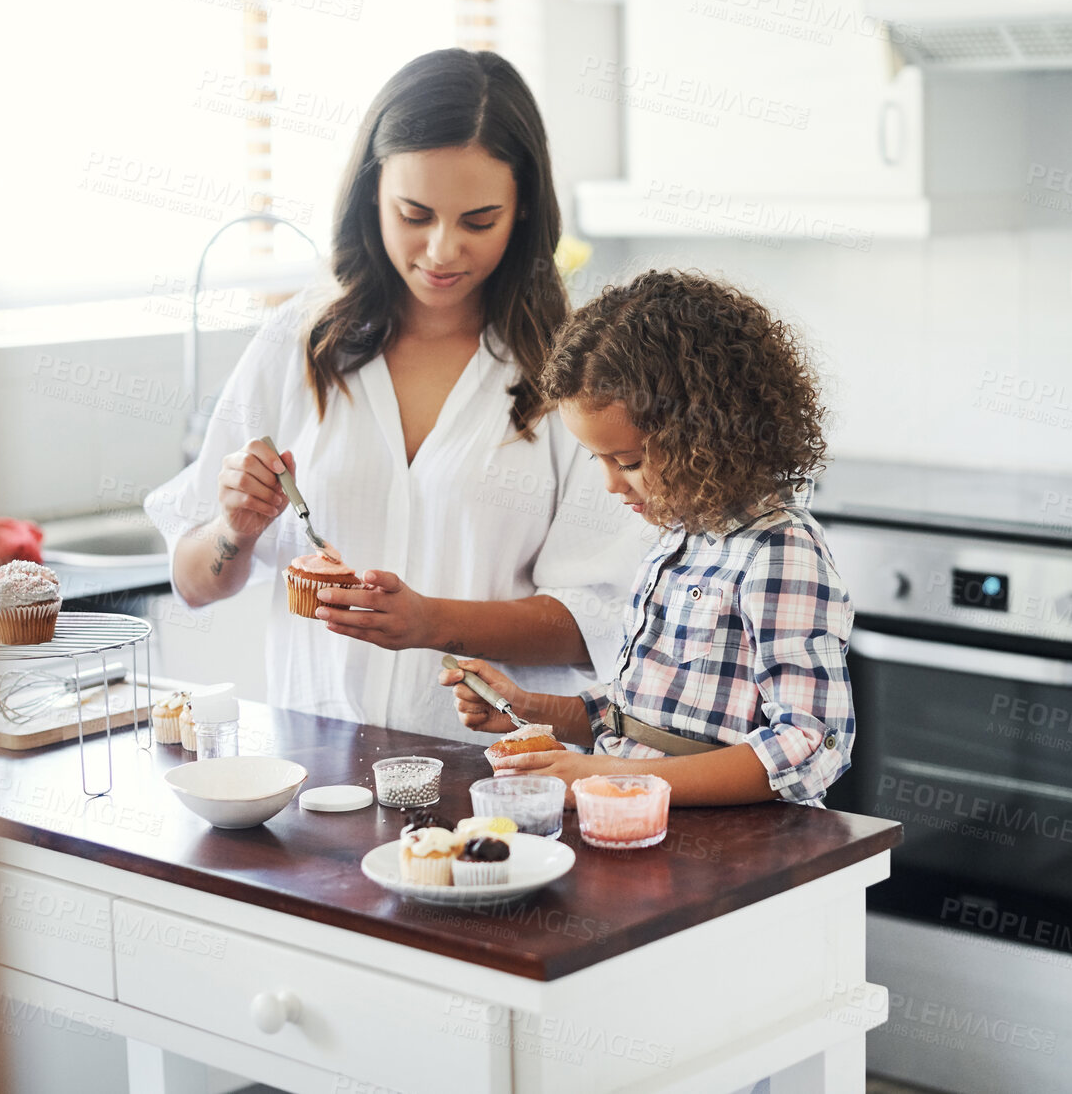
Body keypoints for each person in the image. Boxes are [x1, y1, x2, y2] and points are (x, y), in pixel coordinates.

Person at [145, 49, 649, 738]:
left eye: (478, 221)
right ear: (371, 193)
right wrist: (234, 527)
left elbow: (600, 618)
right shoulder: (300, 343)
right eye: (414, 213)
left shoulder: (573, 370)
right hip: (316, 772)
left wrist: (433, 621)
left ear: (524, 208)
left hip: (496, 779)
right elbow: (194, 581)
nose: (442, 250)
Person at [442, 271, 855, 805]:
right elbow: (640, 716)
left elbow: (810, 744)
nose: (612, 484)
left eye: (630, 461)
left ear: (706, 437)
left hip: (735, 847)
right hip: (648, 833)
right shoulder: (677, 543)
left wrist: (609, 780)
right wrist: (526, 706)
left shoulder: (780, 552)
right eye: (599, 460)